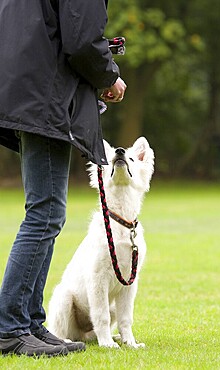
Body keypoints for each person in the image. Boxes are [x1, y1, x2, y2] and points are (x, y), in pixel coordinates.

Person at [0, 0, 126, 357]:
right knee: (45, 213)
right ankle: (10, 327)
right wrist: (109, 75)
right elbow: (82, 40)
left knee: (44, 211)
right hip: (44, 97)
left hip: (23, 91)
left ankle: (29, 321)